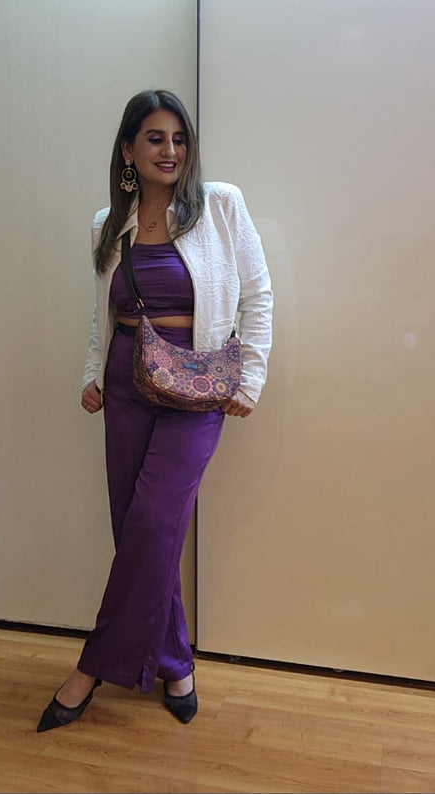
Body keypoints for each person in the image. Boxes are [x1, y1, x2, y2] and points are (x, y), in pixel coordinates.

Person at [37, 89, 273, 732]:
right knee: (138, 530)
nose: (170, 150)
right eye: (155, 138)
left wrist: (249, 378)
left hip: (198, 389)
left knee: (153, 524)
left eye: (179, 139)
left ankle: (90, 669)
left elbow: (257, 293)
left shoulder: (220, 205)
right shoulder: (106, 223)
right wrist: (92, 375)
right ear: (128, 150)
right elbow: (103, 313)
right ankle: (175, 663)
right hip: (125, 385)